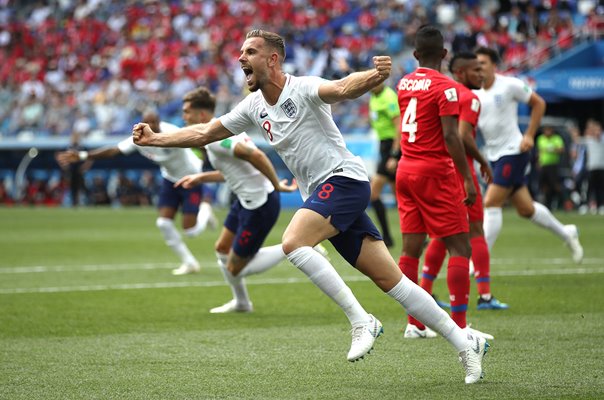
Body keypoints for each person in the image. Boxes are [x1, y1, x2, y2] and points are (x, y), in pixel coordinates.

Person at [133, 28, 489, 384]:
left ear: (272, 59)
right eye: (241, 52)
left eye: (251, 51)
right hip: (322, 192)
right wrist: (156, 139)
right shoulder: (253, 107)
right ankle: (465, 344)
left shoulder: (301, 88)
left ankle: (361, 320)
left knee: (294, 241)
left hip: (345, 180)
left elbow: (343, 87)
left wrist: (376, 75)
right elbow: (203, 133)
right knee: (393, 281)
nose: (241, 57)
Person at [394, 34, 493, 343]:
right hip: (434, 172)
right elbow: (451, 136)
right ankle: (461, 327)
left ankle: (414, 323)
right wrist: (466, 177)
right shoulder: (446, 88)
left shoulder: (404, 83)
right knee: (460, 247)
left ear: (415, 53)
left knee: (411, 250)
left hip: (405, 169)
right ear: (445, 53)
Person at [173, 86, 299, 313]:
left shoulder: (216, 139)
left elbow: (255, 154)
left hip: (259, 205)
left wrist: (276, 184)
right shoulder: (218, 131)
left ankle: (296, 246)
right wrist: (201, 178)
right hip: (244, 201)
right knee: (222, 249)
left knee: (234, 268)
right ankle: (242, 303)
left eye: (187, 112)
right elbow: (233, 171)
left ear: (202, 115)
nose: (184, 117)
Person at [56, 109, 215, 275]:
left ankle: (205, 210)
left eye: (154, 122)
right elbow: (114, 150)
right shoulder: (139, 137)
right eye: (148, 122)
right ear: (143, 123)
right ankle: (189, 263)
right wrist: (83, 156)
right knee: (163, 223)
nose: (152, 126)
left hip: (192, 177)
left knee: (190, 231)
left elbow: (199, 141)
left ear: (160, 122)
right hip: (170, 178)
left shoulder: (172, 132)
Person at [474, 47, 583, 263]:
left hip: (515, 151)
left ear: (494, 65)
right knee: (525, 208)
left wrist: (530, 135)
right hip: (494, 156)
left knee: (491, 202)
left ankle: (476, 262)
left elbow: (538, 103)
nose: (479, 68)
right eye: (476, 65)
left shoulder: (509, 85)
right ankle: (566, 232)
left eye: (483, 63)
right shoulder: (476, 94)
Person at [419, 52, 507, 315]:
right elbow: (463, 136)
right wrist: (482, 161)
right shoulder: (469, 97)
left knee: (444, 233)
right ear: (460, 72)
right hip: (460, 171)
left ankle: (425, 292)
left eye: (483, 70)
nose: (481, 75)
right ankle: (485, 294)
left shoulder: (442, 92)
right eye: (476, 70)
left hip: (441, 171)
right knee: (475, 230)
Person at [368, 82, 400, 248]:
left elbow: (399, 126)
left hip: (392, 148)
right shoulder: (373, 97)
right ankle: (420, 236)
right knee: (400, 197)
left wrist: (394, 154)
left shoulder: (389, 97)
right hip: (383, 146)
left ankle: (386, 237)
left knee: (373, 194)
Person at [536, 125, 565, 210]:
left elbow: (561, 149)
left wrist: (552, 150)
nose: (547, 132)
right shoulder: (541, 139)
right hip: (544, 165)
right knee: (544, 185)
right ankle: (546, 204)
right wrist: (538, 162)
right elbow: (540, 151)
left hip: (553, 165)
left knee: (554, 185)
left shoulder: (556, 138)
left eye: (549, 130)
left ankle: (561, 202)